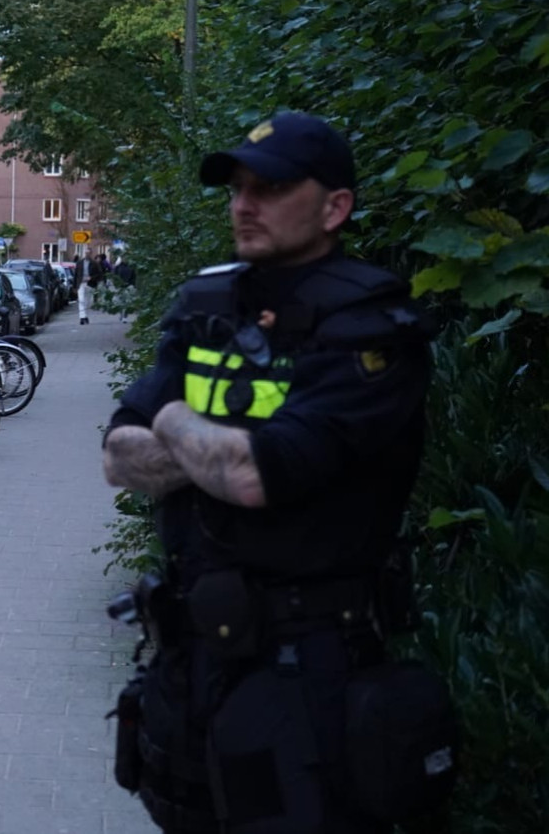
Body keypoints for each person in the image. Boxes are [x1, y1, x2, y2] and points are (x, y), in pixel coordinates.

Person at [101, 113, 438, 833]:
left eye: (271, 187)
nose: (243, 204)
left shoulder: (370, 324)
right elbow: (117, 458)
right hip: (191, 660)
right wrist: (209, 451)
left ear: (335, 207)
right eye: (237, 188)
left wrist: (175, 423)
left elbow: (259, 474)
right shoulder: (205, 304)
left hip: (310, 667)